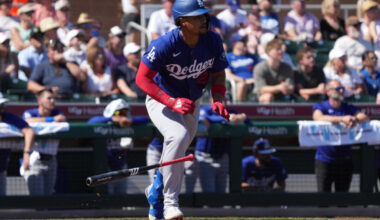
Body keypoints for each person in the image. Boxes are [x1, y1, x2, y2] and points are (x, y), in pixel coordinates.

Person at [135, 0, 229, 219]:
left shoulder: (213, 40)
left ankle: (156, 192)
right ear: (182, 21)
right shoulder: (164, 43)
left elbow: (218, 74)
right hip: (162, 98)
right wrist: (170, 102)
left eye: (204, 15)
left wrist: (218, 98)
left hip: (192, 102)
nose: (204, 19)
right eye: (197, 16)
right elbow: (142, 79)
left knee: (177, 151)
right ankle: (169, 203)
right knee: (178, 137)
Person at [312, 80, 370, 192]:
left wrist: (356, 120)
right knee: (323, 200)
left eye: (342, 88)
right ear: (328, 92)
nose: (342, 91)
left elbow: (365, 117)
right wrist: (341, 119)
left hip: (345, 160)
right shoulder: (321, 106)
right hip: (325, 159)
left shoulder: (348, 107)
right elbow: (318, 118)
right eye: (338, 89)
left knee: (343, 201)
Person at [88, 98, 149, 194]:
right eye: (118, 113)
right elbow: (91, 122)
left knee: (121, 196)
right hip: (105, 167)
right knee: (107, 196)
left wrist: (131, 122)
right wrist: (112, 119)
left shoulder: (128, 123)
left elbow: (146, 119)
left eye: (124, 112)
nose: (121, 115)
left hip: (122, 166)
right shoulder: (104, 122)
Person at [21, 88, 66, 195]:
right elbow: (24, 121)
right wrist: (50, 120)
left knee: (49, 195)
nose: (52, 101)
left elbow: (62, 118)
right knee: (37, 199)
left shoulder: (57, 112)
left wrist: (55, 118)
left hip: (52, 160)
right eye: (49, 98)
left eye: (53, 98)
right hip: (35, 160)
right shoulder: (30, 113)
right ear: (39, 101)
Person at [196, 105, 247, 193]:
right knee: (209, 193)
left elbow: (246, 119)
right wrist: (226, 118)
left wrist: (242, 117)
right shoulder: (205, 109)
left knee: (222, 192)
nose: (222, 101)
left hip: (222, 156)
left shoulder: (230, 111)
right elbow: (202, 118)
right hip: (206, 156)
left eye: (224, 97)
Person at [0, 97, 35, 195]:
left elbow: (29, 131)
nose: (3, 107)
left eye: (4, 104)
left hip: (1, 169)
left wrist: (26, 153)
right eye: (0, 105)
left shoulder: (8, 116)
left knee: (2, 203)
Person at [253, 39, 295, 104]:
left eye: (281, 49)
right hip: (261, 97)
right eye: (277, 49)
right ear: (268, 52)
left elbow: (291, 87)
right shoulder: (260, 68)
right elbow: (261, 89)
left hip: (282, 95)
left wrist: (286, 88)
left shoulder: (287, 67)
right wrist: (279, 87)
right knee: (268, 96)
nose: (280, 52)